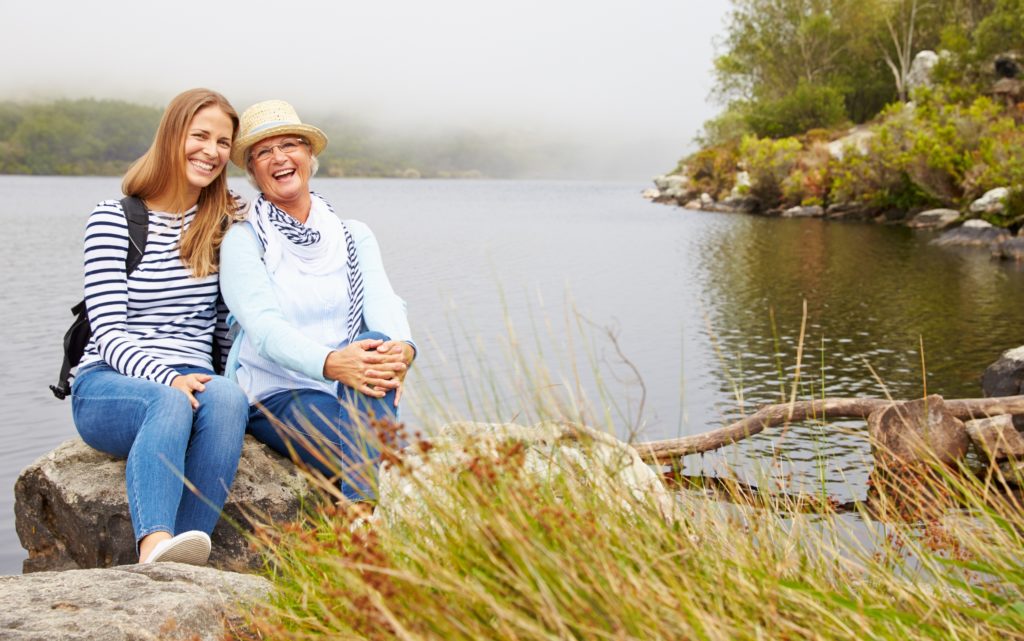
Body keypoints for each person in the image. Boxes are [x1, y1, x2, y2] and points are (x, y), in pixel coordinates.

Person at [71, 88, 249, 565]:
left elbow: (224, 327)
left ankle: (187, 551)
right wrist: (167, 377)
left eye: (224, 143)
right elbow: (106, 332)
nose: (211, 152)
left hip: (195, 375)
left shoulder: (223, 224)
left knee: (231, 398)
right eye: (201, 136)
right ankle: (153, 545)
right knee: (169, 400)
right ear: (173, 136)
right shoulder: (115, 218)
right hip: (112, 382)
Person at [220, 100, 415, 501]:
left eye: (289, 144)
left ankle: (362, 512)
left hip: (353, 385)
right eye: (263, 152)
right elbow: (266, 330)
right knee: (384, 460)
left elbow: (383, 301)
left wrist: (403, 350)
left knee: (378, 338)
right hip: (278, 390)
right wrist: (332, 363)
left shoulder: (351, 233)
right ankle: (365, 512)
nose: (279, 158)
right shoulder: (245, 240)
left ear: (308, 155)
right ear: (253, 172)